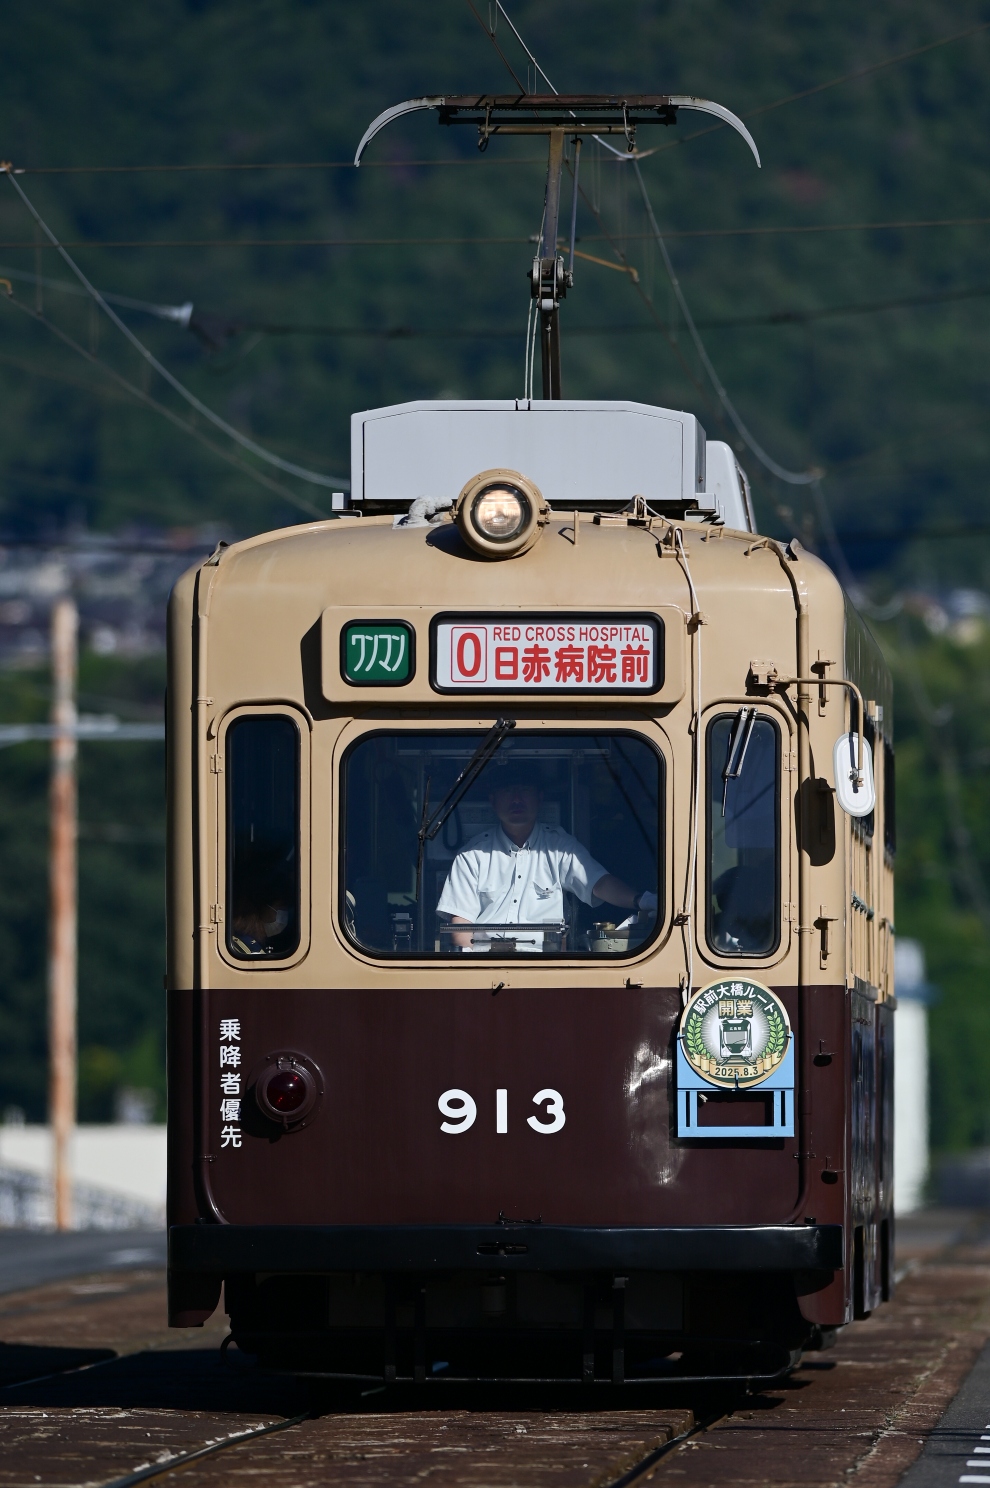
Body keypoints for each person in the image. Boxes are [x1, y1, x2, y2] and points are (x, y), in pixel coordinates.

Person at [436, 765, 657, 951]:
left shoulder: (559, 846)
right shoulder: (471, 855)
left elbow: (598, 882)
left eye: (524, 790)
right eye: (508, 791)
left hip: (546, 966)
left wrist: (641, 900)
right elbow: (460, 927)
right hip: (486, 965)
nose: (516, 798)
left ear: (539, 798)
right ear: (493, 801)